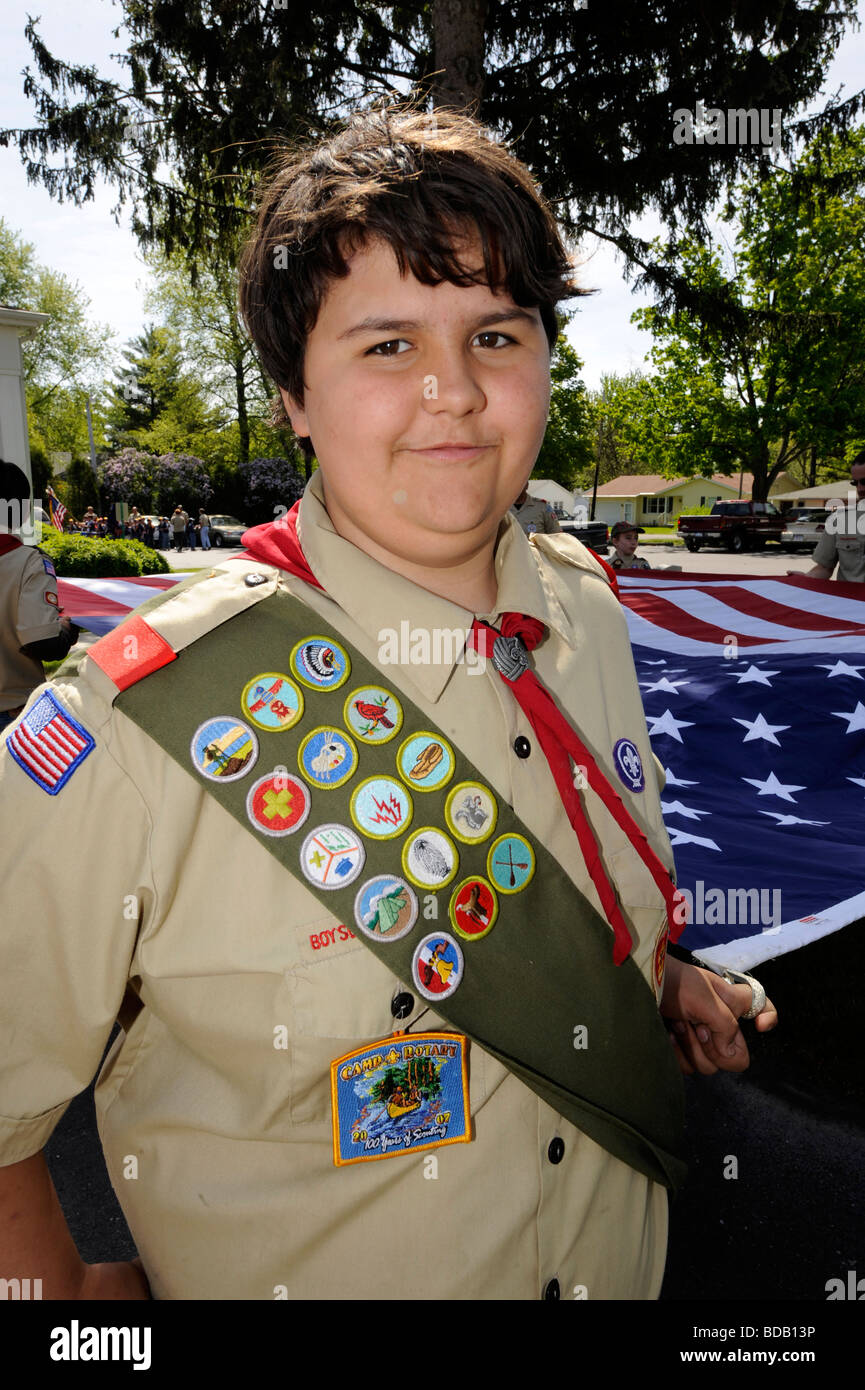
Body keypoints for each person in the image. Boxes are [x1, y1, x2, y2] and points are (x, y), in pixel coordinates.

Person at [0, 106, 776, 1302]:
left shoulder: (586, 616)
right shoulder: (148, 713)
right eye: (385, 345)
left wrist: (654, 978)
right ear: (295, 398)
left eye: (496, 336)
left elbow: (570, 887)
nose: (452, 393)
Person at [0, 460, 80, 732]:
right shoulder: (27, 562)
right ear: (21, 512)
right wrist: (67, 627)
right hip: (10, 712)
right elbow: (42, 641)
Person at [796, 455, 865, 582]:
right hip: (849, 600)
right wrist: (803, 580)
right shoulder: (839, 519)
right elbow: (824, 568)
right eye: (855, 483)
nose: (860, 489)